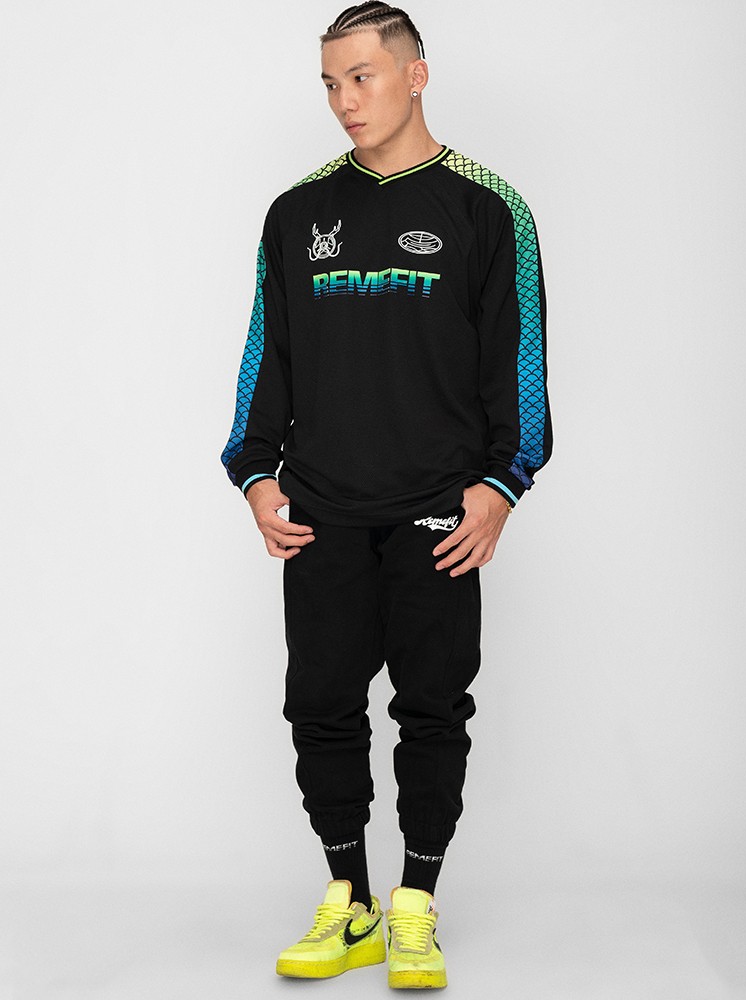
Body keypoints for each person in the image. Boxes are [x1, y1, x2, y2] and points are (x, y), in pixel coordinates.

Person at [220, 1, 552, 989]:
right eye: (330, 82)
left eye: (361, 77)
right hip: (321, 506)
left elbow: (520, 364)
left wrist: (502, 483)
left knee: (432, 706)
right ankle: (350, 900)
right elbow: (267, 357)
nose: (343, 101)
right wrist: (255, 472)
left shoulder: (488, 208)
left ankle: (416, 904)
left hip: (438, 509)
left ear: (415, 74)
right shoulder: (296, 213)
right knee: (320, 705)